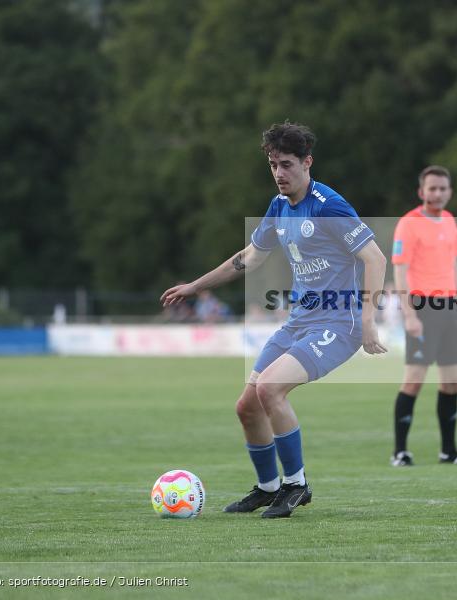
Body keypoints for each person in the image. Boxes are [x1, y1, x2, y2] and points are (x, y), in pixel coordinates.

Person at [161, 122, 387, 518]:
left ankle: (296, 485)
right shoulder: (279, 208)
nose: (279, 173)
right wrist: (196, 286)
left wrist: (368, 319)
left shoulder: (329, 205)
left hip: (338, 324)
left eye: (286, 164)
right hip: (300, 322)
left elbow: (375, 258)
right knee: (247, 406)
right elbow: (249, 258)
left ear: (307, 162)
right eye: (273, 165)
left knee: (269, 390)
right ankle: (267, 488)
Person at [390, 165, 457, 466]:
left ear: (449, 191)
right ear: (422, 192)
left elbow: (453, 265)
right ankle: (400, 452)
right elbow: (400, 270)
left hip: (448, 309)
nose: (438, 193)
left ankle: (449, 451)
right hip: (422, 308)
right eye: (432, 188)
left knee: (452, 383)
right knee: (414, 381)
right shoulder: (408, 224)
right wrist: (409, 314)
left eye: (443, 188)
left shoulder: (450, 222)